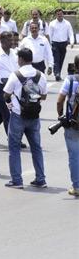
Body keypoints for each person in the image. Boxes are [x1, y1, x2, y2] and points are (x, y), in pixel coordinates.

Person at [2, 48, 48, 189]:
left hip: (18, 115)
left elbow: (6, 94)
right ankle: (40, 179)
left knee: (14, 148)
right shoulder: (41, 75)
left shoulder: (15, 75)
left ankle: (17, 180)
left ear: (21, 59)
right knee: (36, 148)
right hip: (34, 116)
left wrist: (11, 105)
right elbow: (44, 96)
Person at [56, 55, 79, 196]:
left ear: (75, 66)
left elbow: (60, 100)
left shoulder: (70, 80)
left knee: (74, 156)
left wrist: (60, 115)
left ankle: (77, 186)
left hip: (73, 123)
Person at [0, 31, 19, 138]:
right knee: (8, 113)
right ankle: (13, 138)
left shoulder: (15, 53)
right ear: (2, 40)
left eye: (12, 39)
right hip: (2, 88)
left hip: (15, 88)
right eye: (9, 40)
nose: (12, 42)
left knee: (2, 113)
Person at [49, 8, 75, 82]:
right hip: (55, 43)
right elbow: (50, 35)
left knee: (61, 59)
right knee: (56, 59)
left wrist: (72, 42)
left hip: (64, 43)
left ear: (63, 14)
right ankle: (57, 74)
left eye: (60, 14)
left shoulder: (67, 23)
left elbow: (70, 33)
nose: (59, 15)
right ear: (56, 15)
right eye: (58, 14)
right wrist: (50, 44)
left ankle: (58, 72)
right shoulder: (52, 23)